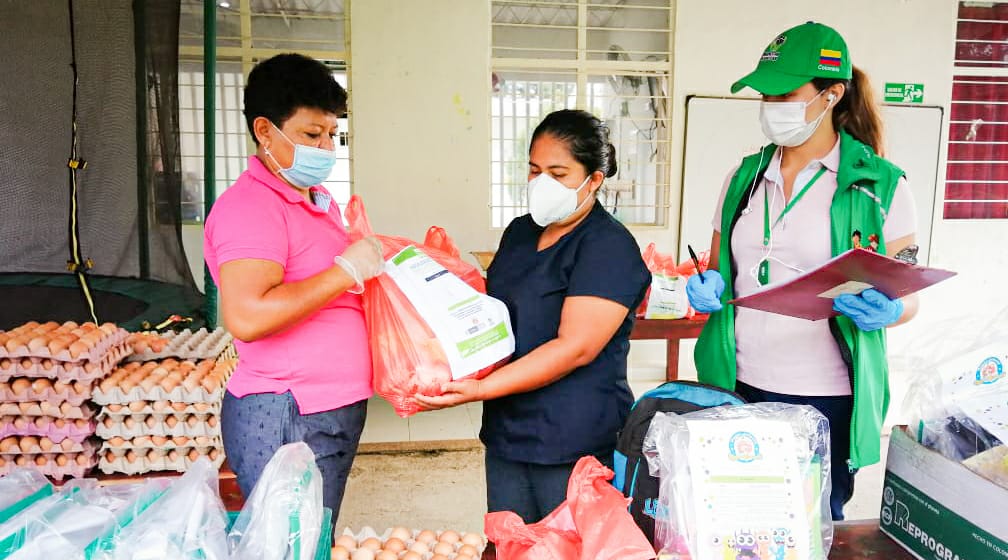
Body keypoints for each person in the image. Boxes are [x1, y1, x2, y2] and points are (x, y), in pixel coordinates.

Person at [686, 22, 919, 521]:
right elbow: (716, 265)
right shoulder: (744, 176)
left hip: (825, 396)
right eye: (765, 95)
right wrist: (709, 284)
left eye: (784, 93)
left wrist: (892, 307)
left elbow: (908, 290)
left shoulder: (879, 185)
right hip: (738, 381)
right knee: (737, 519)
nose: (771, 105)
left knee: (810, 529)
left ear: (832, 94)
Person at [416, 110, 651, 523]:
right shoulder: (521, 232)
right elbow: (495, 314)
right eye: (535, 170)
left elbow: (575, 348)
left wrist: (480, 389)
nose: (542, 183)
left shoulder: (607, 246)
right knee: (511, 551)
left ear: (594, 179)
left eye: (559, 173)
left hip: (572, 436)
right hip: (508, 429)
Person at [204, 53, 385, 517]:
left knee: (313, 549)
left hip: (330, 407)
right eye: (311, 134)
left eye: (332, 134)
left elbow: (328, 294)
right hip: (285, 411)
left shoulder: (318, 201)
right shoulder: (250, 208)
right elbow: (247, 316)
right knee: (288, 558)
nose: (325, 148)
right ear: (265, 130)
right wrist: (345, 271)